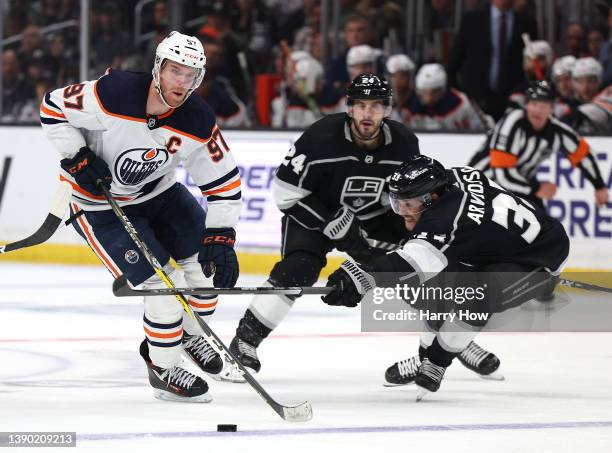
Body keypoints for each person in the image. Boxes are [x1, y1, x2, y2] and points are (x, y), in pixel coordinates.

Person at [40, 31, 242, 402]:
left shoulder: (197, 119)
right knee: (163, 290)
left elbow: (224, 185)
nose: (182, 81)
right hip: (99, 206)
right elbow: (52, 107)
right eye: (175, 71)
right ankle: (163, 368)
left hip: (161, 195)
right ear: (158, 68)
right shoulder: (113, 93)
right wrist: (78, 156)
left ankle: (191, 336)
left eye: (191, 74)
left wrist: (221, 236)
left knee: (204, 276)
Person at [321, 155, 571, 398]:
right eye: (399, 203)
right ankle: (435, 352)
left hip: (539, 257)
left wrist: (361, 274)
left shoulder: (445, 221)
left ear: (432, 198)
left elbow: (406, 264)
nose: (402, 211)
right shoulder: (454, 177)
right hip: (496, 247)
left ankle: (436, 361)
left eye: (409, 204)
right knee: (433, 285)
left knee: (477, 298)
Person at [227, 74, 421, 374]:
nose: (367, 114)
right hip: (313, 215)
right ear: (349, 107)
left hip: (370, 217)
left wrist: (391, 239)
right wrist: (328, 220)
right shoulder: (320, 137)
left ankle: (446, 337)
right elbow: (284, 194)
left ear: (388, 110)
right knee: (298, 269)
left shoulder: (405, 143)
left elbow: (406, 193)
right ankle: (245, 340)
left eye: (375, 106)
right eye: (360, 105)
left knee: (408, 261)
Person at [469, 81, 608, 210]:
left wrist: (599, 186)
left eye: (543, 105)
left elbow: (583, 155)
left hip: (516, 188)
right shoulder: (513, 122)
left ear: (551, 109)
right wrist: (536, 189)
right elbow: (502, 174)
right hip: (478, 188)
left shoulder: (557, 132)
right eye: (534, 104)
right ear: (526, 105)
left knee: (541, 228)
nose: (537, 110)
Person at [447, 0, 538, 120]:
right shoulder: (473, 19)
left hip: (512, 100)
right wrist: (459, 95)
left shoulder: (526, 23)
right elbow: (455, 60)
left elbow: (532, 63)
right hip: (476, 99)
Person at [405, 63, 491, 132]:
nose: (429, 98)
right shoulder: (410, 106)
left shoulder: (461, 104)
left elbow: (482, 129)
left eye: (434, 92)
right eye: (424, 92)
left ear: (443, 90)